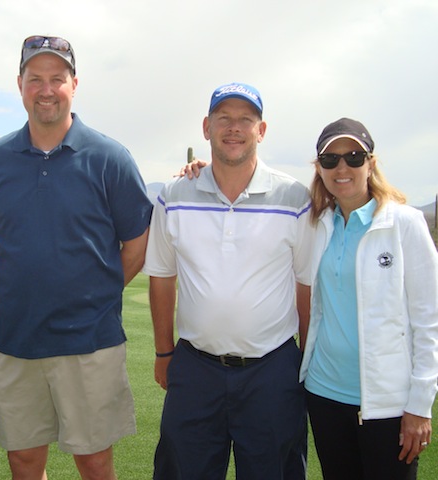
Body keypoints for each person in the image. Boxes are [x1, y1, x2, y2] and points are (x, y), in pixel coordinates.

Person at [0, 35, 152, 480]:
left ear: (74, 84)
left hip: (90, 343)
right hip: (17, 342)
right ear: (19, 85)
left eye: (57, 78)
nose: (46, 89)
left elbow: (137, 246)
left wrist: (89, 295)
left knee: (93, 460)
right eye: (36, 79)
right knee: (25, 461)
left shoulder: (110, 157)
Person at [143, 82, 313, 479]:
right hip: (195, 368)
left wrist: (303, 360)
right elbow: (163, 277)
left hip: (272, 369)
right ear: (207, 127)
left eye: (245, 120)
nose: (234, 128)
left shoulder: (294, 197)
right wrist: (164, 353)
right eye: (224, 119)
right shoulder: (174, 194)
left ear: (261, 130)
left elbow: (305, 285)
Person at [299, 118, 438, 479]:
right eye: (330, 160)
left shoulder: (404, 223)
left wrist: (421, 405)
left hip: (388, 405)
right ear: (320, 168)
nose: (342, 168)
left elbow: (429, 320)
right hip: (324, 394)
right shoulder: (317, 223)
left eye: (354, 157)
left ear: (371, 163)